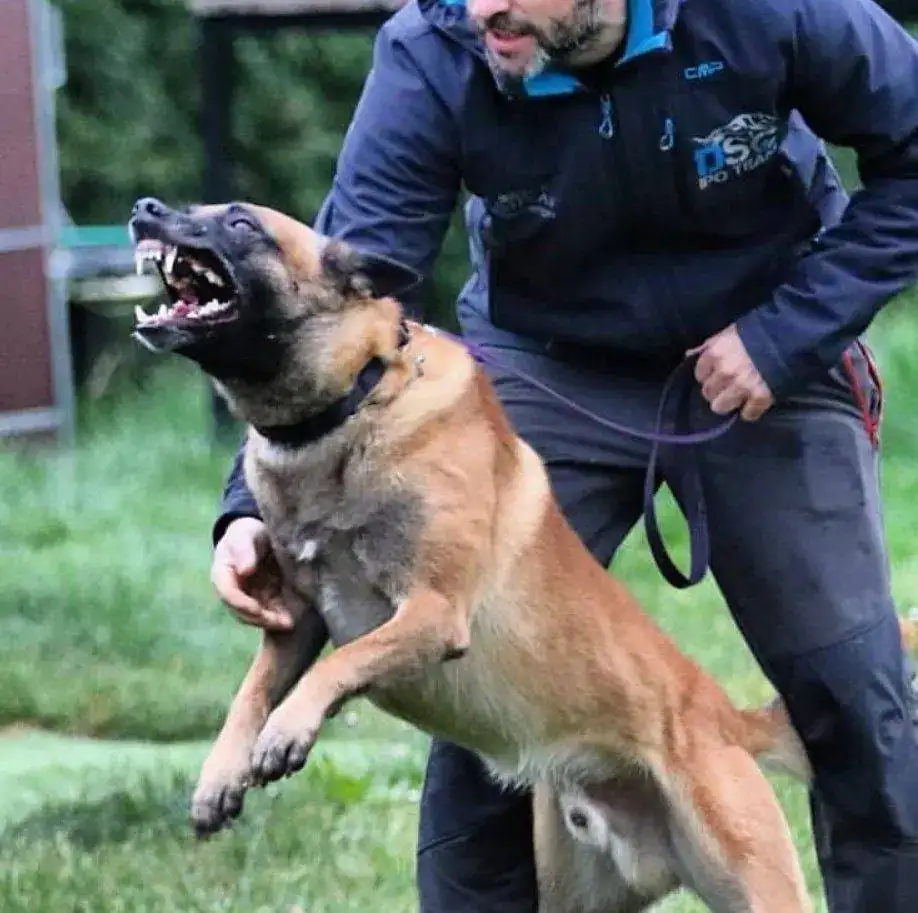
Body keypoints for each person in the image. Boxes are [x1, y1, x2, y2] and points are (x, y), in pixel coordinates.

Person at [209, 0, 918, 909]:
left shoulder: (768, 12)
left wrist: (787, 334)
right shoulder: (435, 49)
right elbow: (336, 293)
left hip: (769, 342)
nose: (482, 9)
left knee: (854, 701)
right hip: (547, 359)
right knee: (473, 709)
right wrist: (250, 510)